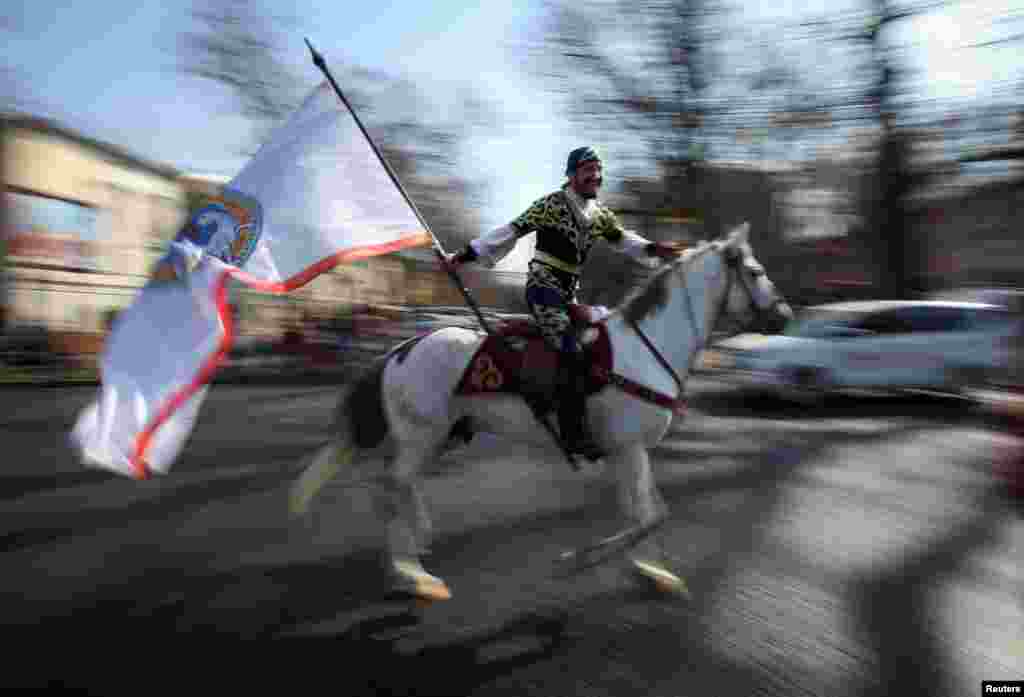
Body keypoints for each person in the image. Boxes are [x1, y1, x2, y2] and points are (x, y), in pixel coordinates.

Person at [443, 146, 683, 459]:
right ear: (571, 175)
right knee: (570, 350)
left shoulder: (599, 215)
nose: (595, 176)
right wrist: (462, 257)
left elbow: (625, 240)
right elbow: (508, 232)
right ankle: (573, 434)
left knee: (602, 342)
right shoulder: (551, 206)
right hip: (543, 291)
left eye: (598, 170)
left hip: (568, 297)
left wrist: (655, 249)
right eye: (588, 170)